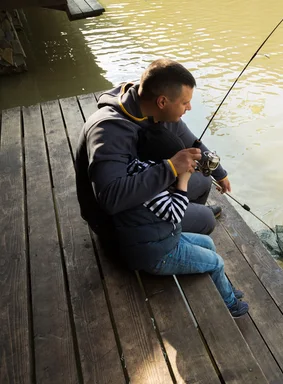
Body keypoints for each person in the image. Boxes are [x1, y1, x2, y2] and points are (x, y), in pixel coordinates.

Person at [74, 58, 248, 317]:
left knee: (202, 180)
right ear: (162, 101)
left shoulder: (154, 109)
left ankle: (170, 219)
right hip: (118, 226)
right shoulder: (109, 129)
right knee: (205, 222)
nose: (189, 107)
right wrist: (171, 169)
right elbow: (109, 198)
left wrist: (219, 172)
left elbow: (192, 143)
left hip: (147, 203)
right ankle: (170, 228)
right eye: (185, 103)